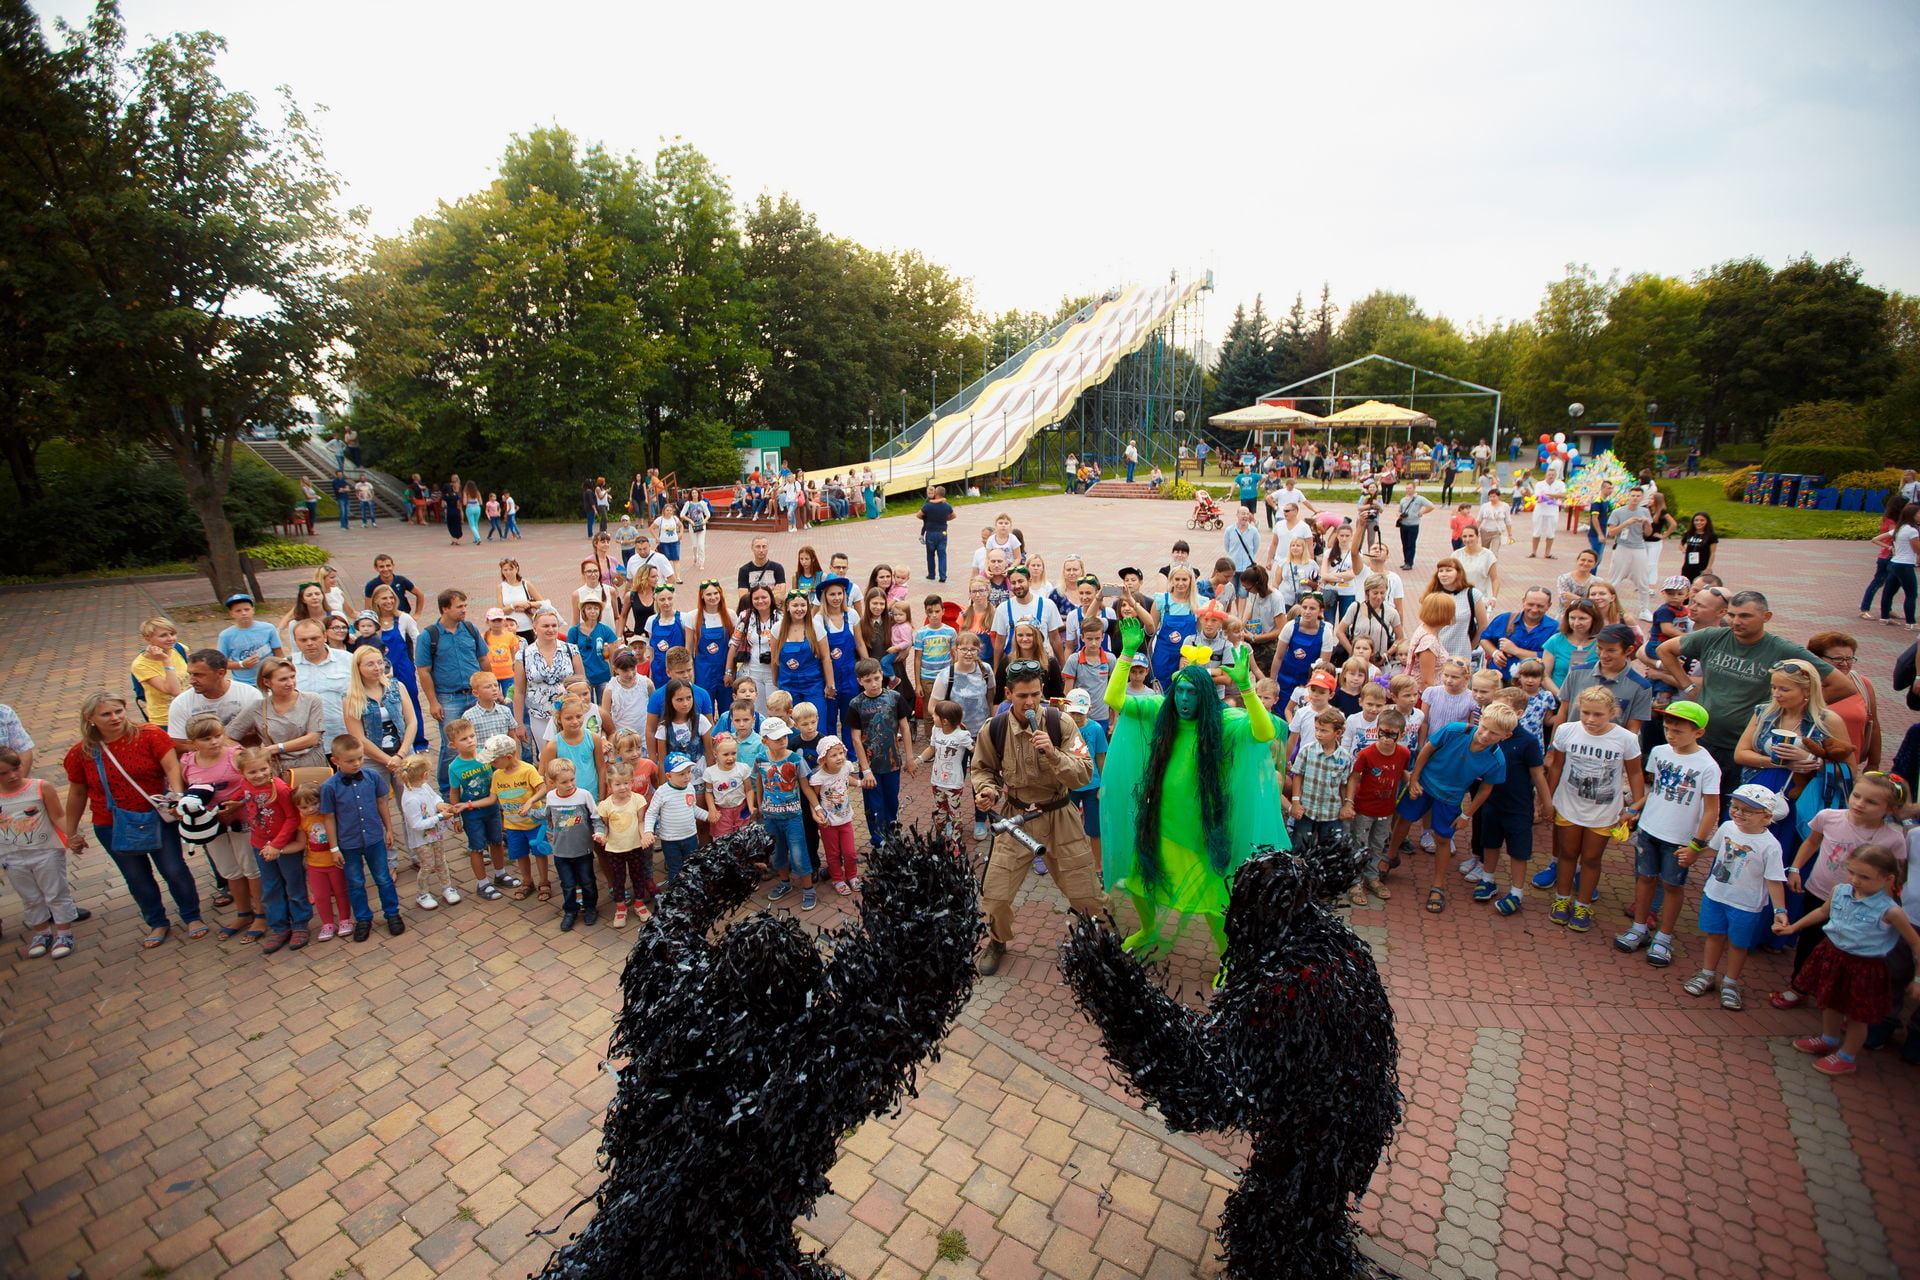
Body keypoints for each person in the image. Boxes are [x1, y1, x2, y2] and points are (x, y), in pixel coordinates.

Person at [973, 658, 1101, 975]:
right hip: (1017, 818)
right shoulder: (995, 728)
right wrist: (987, 791)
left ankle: (1101, 944)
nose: (1029, 702)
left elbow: (1084, 774)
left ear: (1042, 691)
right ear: (1007, 694)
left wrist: (1053, 753)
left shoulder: (1062, 724)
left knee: (1086, 891)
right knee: (995, 895)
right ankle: (998, 940)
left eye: (1034, 694)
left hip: (1060, 815)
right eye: (1021, 696)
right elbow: (983, 770)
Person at [1776, 845, 1920, 1076]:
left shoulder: (1891, 911)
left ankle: (1847, 1056)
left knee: (1856, 1016)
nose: (1855, 880)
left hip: (1865, 967)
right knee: (1830, 1001)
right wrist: (1793, 927)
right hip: (1833, 956)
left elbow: (1915, 943)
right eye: (1851, 872)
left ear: (1888, 878)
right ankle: (1829, 1038)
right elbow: (1823, 913)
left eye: (1864, 877)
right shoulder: (1840, 891)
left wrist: (1917, 978)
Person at [1387, 703, 1516, 915]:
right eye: (1484, 727)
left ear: (1506, 736)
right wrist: (1414, 779)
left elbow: (1485, 789)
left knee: (1443, 839)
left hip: (1450, 797)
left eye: (1494, 733)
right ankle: (1390, 857)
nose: (1485, 735)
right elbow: (1427, 750)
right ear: (1479, 720)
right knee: (1404, 819)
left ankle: (1438, 885)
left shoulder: (1497, 759)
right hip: (1424, 784)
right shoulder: (1455, 730)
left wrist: (1467, 814)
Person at [1545, 687, 1645, 933]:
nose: (1590, 719)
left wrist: (1634, 807)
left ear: (1612, 713)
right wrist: (1547, 800)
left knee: (1591, 858)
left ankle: (1583, 904)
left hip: (1604, 810)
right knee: (1567, 853)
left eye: (1598, 714)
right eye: (1586, 713)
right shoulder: (1567, 730)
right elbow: (1556, 767)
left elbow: (1634, 772)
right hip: (1568, 804)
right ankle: (1562, 898)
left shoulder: (1626, 739)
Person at [316, 733, 405, 942]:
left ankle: (392, 913)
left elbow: (382, 803)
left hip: (374, 838)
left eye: (359, 758)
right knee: (355, 882)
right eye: (349, 761)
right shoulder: (329, 787)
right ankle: (363, 918)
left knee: (383, 878)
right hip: (349, 843)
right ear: (335, 761)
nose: (356, 764)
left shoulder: (372, 777)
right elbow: (328, 817)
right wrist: (334, 847)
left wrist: (389, 829)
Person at [2, 745, 79, 959]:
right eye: (4, 773)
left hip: (45, 851)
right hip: (11, 855)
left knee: (55, 892)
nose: (13, 775)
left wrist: (71, 836)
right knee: (30, 896)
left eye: (16, 768)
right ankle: (41, 932)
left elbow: (57, 816)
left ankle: (64, 932)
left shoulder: (39, 787)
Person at [1873, 501, 1920, 630]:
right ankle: (1911, 623)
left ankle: (1884, 617)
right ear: (1913, 515)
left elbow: (1875, 539)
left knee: (1889, 591)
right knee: (1911, 594)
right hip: (1905, 565)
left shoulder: (1898, 529)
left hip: (1894, 563)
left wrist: (1891, 547)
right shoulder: (1912, 531)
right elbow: (1917, 550)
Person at [1394, 480, 1435, 571]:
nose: (1408, 490)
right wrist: (1399, 515)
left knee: (1411, 544)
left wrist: (1422, 512)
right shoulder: (1403, 500)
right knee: (1404, 543)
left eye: (1410, 488)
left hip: (1413, 525)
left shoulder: (1419, 499)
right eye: (1407, 488)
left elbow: (1431, 506)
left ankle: (1410, 562)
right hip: (1404, 524)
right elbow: (1398, 510)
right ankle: (1406, 561)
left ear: (1414, 488)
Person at [1528, 467, 1567, 559]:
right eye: (1549, 475)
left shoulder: (1560, 484)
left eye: (1553, 475)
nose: (1551, 476)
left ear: (1556, 476)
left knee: (1550, 532)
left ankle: (1547, 553)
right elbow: (1537, 497)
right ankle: (1533, 552)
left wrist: (1549, 495)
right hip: (1540, 510)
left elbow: (1562, 495)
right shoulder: (1540, 484)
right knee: (1536, 531)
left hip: (1552, 511)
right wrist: (1552, 496)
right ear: (1546, 475)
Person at [918, 485, 955, 582]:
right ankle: (943, 576)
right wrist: (945, 519)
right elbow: (953, 516)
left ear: (936, 493)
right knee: (942, 554)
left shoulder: (928, 505)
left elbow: (919, 515)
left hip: (930, 532)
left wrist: (928, 518)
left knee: (930, 554)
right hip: (942, 532)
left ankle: (931, 574)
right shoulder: (947, 506)